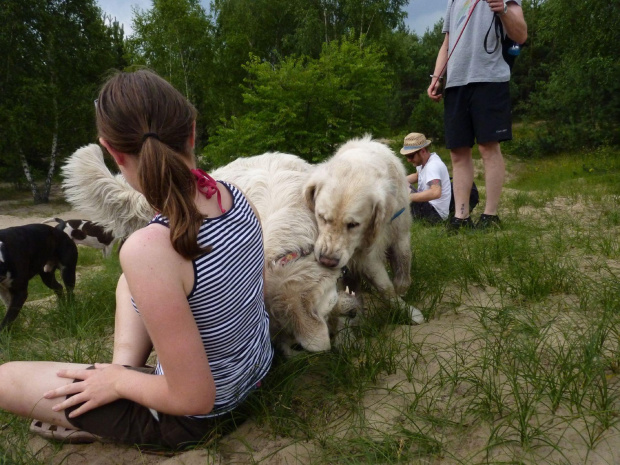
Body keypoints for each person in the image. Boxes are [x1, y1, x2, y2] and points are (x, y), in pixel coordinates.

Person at [0, 69, 274, 450]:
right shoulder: (234, 195)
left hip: (196, 417)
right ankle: (123, 376)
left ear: (112, 152)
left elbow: (194, 398)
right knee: (131, 278)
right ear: (192, 131)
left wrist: (116, 381)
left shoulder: (152, 248)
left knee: (4, 379)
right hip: (257, 370)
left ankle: (120, 395)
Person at [427, 0, 527, 230]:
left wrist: (502, 9)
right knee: (458, 151)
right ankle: (461, 217)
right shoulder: (453, 1)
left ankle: (490, 216)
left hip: (490, 78)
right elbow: (447, 43)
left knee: (487, 146)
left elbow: (521, 36)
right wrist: (436, 77)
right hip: (456, 82)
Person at [401, 133, 452, 224]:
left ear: (423, 151)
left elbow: (435, 192)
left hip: (434, 214)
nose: (408, 160)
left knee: (400, 190)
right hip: (430, 208)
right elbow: (417, 176)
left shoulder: (433, 166)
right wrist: (396, 180)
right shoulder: (424, 162)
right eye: (407, 156)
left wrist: (407, 197)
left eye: (411, 156)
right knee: (399, 183)